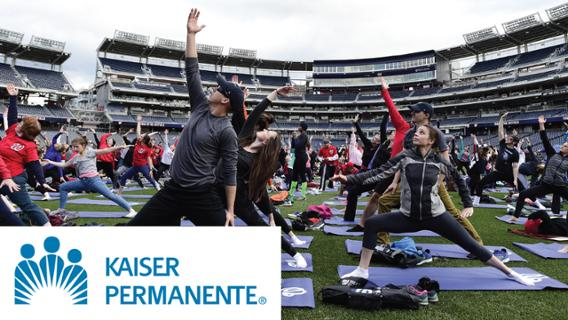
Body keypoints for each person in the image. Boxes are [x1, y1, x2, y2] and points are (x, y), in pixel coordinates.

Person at [333, 124, 535, 286]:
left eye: (421, 132)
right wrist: (349, 180)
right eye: (416, 132)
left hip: (437, 217)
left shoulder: (440, 162)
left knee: (471, 245)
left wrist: (468, 204)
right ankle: (362, 270)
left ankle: (511, 272)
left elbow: (460, 179)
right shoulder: (404, 158)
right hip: (408, 217)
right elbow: (376, 173)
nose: (415, 134)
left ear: (431, 140)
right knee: (372, 223)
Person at [128, 8, 242, 226]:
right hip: (173, 189)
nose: (215, 88)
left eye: (220, 88)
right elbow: (192, 70)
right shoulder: (200, 106)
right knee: (135, 229)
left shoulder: (226, 131)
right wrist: (191, 35)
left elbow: (229, 171)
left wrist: (230, 209)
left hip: (201, 195)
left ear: (225, 101)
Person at [217, 85, 307, 267]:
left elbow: (259, 190)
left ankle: (294, 253)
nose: (265, 130)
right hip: (214, 186)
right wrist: (275, 94)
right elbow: (257, 111)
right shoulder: (243, 138)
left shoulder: (258, 162)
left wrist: (270, 215)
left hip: (237, 196)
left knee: (260, 226)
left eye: (268, 132)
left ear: (267, 142)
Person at [45, 136, 136, 217]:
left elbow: (105, 150)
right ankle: (61, 210)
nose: (74, 149)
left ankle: (131, 210)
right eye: (73, 147)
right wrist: (50, 162)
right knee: (63, 187)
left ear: (83, 146)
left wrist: (120, 147)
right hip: (82, 182)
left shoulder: (90, 152)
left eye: (77, 147)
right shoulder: (76, 157)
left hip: (94, 181)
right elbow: (64, 165)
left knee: (111, 196)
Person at [0, 84, 51, 226]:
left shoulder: (29, 146)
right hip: (3, 175)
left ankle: (48, 227)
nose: (17, 124)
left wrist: (43, 182)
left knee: (28, 206)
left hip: (14, 179)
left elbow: (35, 165)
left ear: (23, 131)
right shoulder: (12, 132)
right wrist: (13, 97)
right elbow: (12, 116)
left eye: (20, 124)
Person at [509, 116, 568, 224]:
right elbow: (544, 138)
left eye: (564, 146)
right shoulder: (552, 153)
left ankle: (559, 218)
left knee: (556, 205)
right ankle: (515, 217)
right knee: (523, 194)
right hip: (546, 184)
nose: (561, 147)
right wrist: (541, 124)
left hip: (560, 186)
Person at [474, 112, 523, 203]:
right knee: (480, 183)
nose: (508, 138)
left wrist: (515, 179)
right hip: (497, 172)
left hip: (508, 174)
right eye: (509, 137)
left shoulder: (515, 153)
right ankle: (476, 202)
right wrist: (501, 118)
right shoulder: (503, 145)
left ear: (514, 142)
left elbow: (515, 167)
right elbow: (500, 131)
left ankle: (537, 204)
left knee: (523, 189)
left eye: (511, 139)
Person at [118, 116, 160, 193]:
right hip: (134, 167)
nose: (140, 136)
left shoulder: (147, 148)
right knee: (124, 177)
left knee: (151, 180)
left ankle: (159, 190)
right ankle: (119, 194)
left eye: (142, 136)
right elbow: (138, 132)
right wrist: (138, 122)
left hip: (142, 167)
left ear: (144, 140)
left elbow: (149, 159)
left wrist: (150, 169)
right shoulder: (138, 142)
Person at [283, 121, 309, 206]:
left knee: (302, 175)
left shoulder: (303, 135)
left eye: (299, 126)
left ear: (302, 127)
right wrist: (293, 138)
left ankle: (303, 195)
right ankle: (291, 193)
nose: (298, 127)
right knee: (294, 175)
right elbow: (294, 146)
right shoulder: (301, 135)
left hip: (301, 157)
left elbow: (298, 145)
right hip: (298, 157)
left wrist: (295, 138)